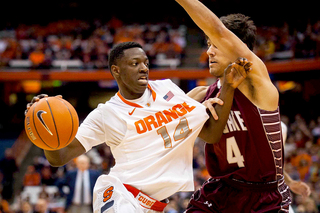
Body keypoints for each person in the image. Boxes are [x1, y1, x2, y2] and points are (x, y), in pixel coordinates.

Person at [25, 41, 251, 213]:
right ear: (116, 71)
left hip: (154, 205)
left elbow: (211, 133)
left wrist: (227, 88)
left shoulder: (167, 90)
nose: (144, 68)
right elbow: (59, 157)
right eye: (135, 64)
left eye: (145, 63)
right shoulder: (107, 114)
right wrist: (47, 133)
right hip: (119, 195)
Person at [174, 0, 292, 212]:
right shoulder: (203, 94)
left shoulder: (257, 84)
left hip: (262, 196)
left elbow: (218, 29)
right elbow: (174, 130)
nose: (209, 52)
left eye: (215, 44)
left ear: (236, 47)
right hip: (221, 189)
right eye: (208, 44)